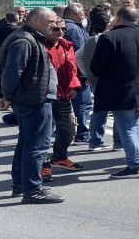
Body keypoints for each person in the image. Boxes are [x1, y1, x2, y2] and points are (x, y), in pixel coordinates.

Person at [0, 7, 65, 204]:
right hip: (33, 100)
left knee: (26, 143)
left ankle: (22, 185)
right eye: (50, 21)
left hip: (32, 98)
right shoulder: (25, 39)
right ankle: (32, 189)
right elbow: (12, 71)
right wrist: (6, 97)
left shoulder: (30, 37)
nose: (54, 25)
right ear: (35, 21)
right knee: (37, 145)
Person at [90, 7, 139, 178]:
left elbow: (97, 67)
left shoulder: (109, 37)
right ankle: (137, 158)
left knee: (127, 126)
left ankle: (135, 165)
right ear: (137, 19)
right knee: (135, 123)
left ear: (118, 18)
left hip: (119, 87)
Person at [43, 18, 83, 177]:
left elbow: (72, 70)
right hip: (45, 97)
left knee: (69, 131)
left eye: (63, 29)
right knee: (43, 135)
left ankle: (59, 157)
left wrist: (74, 86)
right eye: (56, 29)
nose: (60, 32)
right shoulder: (40, 45)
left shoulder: (67, 46)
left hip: (64, 97)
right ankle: (42, 165)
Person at [74, 22, 121, 152]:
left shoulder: (92, 40)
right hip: (116, 80)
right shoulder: (118, 39)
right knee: (118, 110)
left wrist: (88, 74)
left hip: (97, 80)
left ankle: (95, 141)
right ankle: (118, 142)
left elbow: (77, 56)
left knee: (99, 111)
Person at [63, 4, 92, 145]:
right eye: (81, 14)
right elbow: (82, 51)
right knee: (83, 103)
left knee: (66, 103)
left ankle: (63, 131)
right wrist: (87, 72)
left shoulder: (63, 27)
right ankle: (83, 134)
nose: (84, 17)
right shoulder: (74, 29)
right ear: (72, 16)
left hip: (67, 70)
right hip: (78, 72)